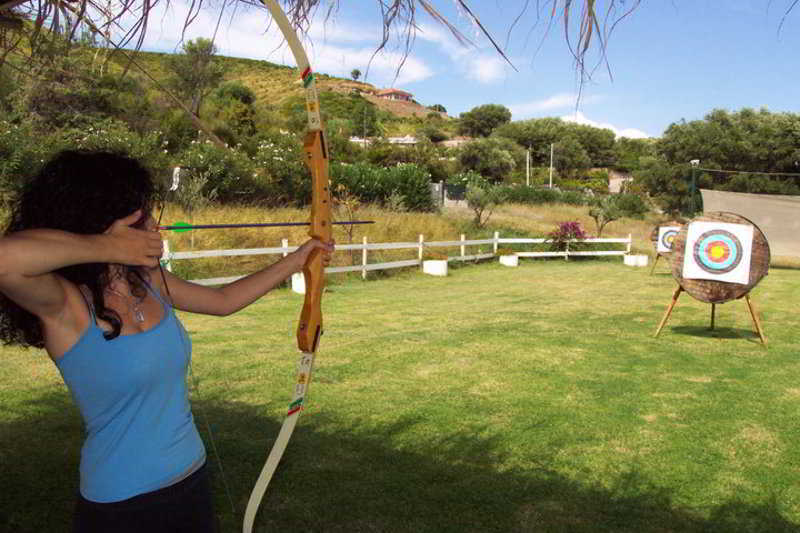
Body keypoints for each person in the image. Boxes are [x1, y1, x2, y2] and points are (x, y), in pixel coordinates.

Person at [0, 150, 334, 532]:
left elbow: (223, 302)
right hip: (121, 504)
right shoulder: (65, 304)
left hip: (191, 479)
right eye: (141, 218)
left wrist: (298, 260)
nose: (154, 228)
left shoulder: (147, 282)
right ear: (101, 221)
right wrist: (106, 247)